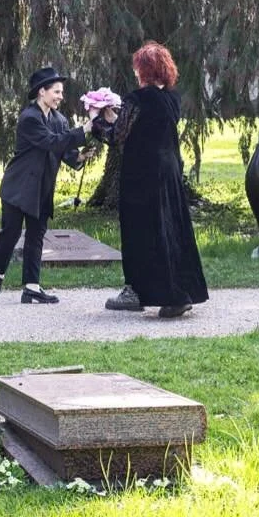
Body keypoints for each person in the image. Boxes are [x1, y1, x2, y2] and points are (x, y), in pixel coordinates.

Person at [97, 42, 209, 318]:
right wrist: (116, 116)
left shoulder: (138, 98)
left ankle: (138, 290)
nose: (135, 74)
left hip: (143, 173)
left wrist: (97, 121)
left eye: (138, 69)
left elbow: (117, 137)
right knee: (171, 228)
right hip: (169, 169)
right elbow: (139, 125)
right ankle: (181, 292)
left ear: (144, 71)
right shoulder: (171, 99)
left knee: (141, 231)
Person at [0, 67, 95, 304]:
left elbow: (65, 151)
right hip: (18, 187)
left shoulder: (60, 119)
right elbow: (50, 142)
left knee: (36, 236)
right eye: (56, 92)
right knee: (10, 234)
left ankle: (31, 288)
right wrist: (85, 129)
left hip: (42, 188)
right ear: (41, 92)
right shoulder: (29, 118)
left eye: (61, 92)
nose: (60, 96)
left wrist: (80, 157)